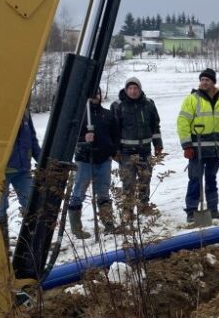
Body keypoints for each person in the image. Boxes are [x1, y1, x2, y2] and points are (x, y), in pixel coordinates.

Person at [177, 68, 219, 223]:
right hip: (196, 149)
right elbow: (183, 122)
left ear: (213, 82)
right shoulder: (192, 99)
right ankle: (191, 211)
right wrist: (187, 146)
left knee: (211, 179)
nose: (204, 82)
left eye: (207, 80)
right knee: (195, 180)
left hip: (216, 149)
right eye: (202, 80)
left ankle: (213, 209)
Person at [68, 87, 119, 239]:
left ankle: (108, 224)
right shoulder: (80, 115)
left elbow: (115, 136)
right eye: (93, 94)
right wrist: (84, 139)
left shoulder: (108, 115)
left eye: (97, 93)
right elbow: (71, 138)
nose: (96, 96)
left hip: (104, 161)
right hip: (84, 160)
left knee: (103, 193)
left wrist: (113, 151)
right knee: (78, 193)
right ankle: (77, 229)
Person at [111, 76, 163, 215]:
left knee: (145, 179)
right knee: (128, 182)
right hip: (126, 152)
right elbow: (114, 131)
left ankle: (143, 207)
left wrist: (158, 145)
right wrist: (115, 151)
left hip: (145, 150)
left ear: (140, 89)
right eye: (130, 88)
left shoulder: (149, 104)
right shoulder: (118, 106)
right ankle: (127, 211)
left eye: (135, 88)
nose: (133, 91)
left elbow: (155, 127)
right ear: (126, 89)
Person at [0, 108, 41, 248]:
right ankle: (2, 248)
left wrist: (41, 159)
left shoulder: (24, 111)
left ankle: (30, 244)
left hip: (23, 169)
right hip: (0, 170)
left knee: (31, 203)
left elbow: (32, 138)